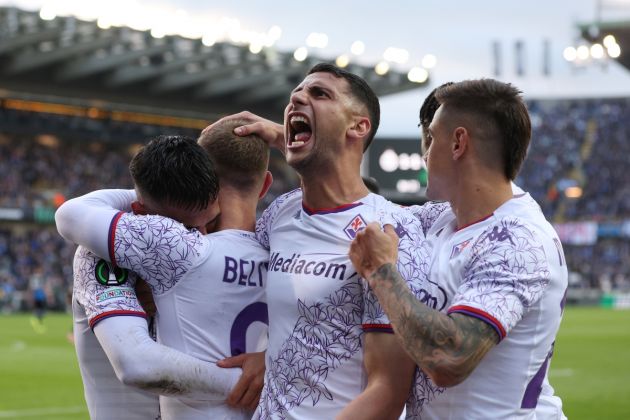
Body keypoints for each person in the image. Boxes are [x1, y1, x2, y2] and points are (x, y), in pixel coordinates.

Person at [216, 63, 428, 419]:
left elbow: (388, 392)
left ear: (359, 126)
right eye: (296, 94)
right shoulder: (280, 214)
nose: (297, 97)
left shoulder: (390, 231)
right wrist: (268, 355)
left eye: (320, 94)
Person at [349, 79, 568, 419]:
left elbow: (449, 360)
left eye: (432, 137)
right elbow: (352, 206)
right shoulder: (443, 218)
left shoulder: (519, 240)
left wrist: (382, 272)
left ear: (458, 143)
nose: (425, 152)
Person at [57, 132, 272, 419]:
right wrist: (252, 384)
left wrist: (269, 361)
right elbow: (137, 363)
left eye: (209, 222)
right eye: (183, 227)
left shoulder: (234, 251)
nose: (202, 237)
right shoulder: (100, 256)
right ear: (140, 212)